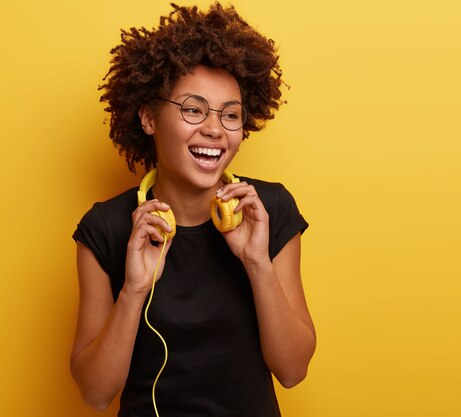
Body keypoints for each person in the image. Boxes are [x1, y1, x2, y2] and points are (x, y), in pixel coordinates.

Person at [70, 3, 316, 416]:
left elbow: (292, 371)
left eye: (231, 115)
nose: (215, 129)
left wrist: (257, 262)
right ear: (149, 117)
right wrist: (134, 290)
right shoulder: (107, 228)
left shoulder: (268, 210)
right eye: (193, 109)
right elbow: (95, 394)